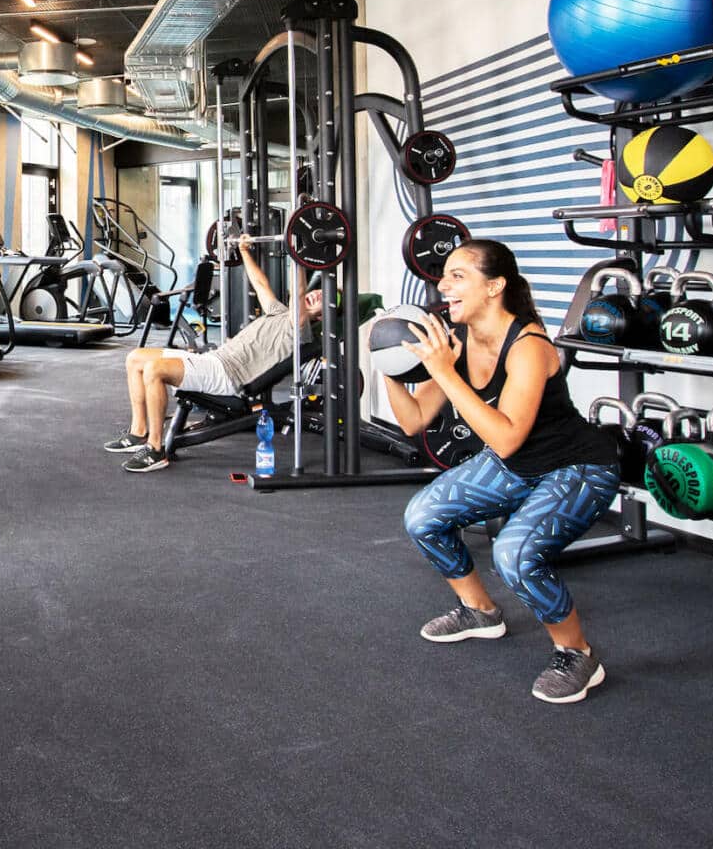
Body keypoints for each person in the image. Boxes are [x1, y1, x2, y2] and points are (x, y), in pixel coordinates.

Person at [382, 240, 621, 704]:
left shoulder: (529, 346)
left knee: (514, 554)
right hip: (516, 464)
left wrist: (445, 372)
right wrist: (390, 364)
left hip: (577, 468)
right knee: (423, 516)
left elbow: (507, 436)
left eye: (457, 276)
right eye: (444, 275)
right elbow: (414, 419)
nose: (443, 285)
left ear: (495, 286)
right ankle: (479, 611)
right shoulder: (460, 341)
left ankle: (577, 654)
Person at [104, 237, 323, 473]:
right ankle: (138, 431)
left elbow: (299, 293)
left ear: (321, 317)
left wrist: (297, 253)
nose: (316, 295)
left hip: (227, 375)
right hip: (214, 360)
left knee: (154, 370)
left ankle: (155, 448)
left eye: (325, 299)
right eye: (318, 291)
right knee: (135, 358)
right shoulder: (279, 311)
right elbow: (260, 283)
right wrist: (243, 251)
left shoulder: (301, 330)